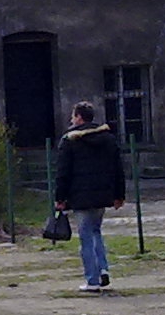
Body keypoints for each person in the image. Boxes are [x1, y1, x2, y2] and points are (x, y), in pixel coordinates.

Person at [54, 102, 126, 292]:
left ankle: (92, 280)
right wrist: (119, 195)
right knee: (96, 231)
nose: (71, 119)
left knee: (85, 236)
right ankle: (103, 269)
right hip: (103, 193)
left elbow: (63, 172)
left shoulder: (70, 140)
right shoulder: (108, 138)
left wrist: (60, 197)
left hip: (80, 195)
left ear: (79, 117)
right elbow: (118, 168)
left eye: (73, 116)